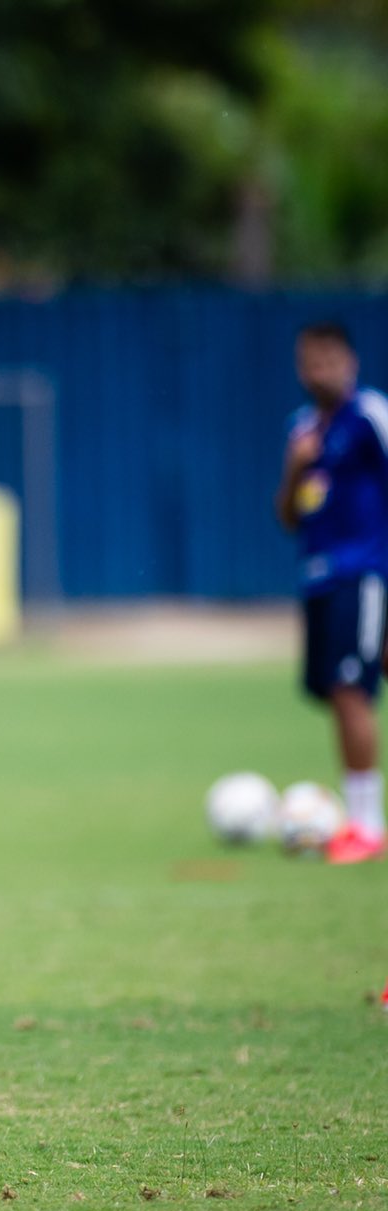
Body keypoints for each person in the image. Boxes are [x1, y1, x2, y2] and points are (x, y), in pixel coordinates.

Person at [275, 320, 388, 864]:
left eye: (328, 360)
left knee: (351, 693)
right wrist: (295, 472)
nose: (318, 371)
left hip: (365, 573)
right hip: (317, 577)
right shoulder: (301, 430)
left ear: (350, 362)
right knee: (337, 695)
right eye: (309, 362)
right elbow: (288, 517)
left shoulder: (370, 417)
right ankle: (362, 816)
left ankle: (366, 826)